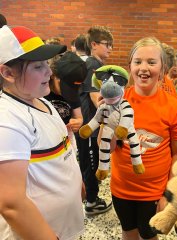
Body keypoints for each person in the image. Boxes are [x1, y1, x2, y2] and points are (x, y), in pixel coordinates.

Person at [0, 25, 84, 239]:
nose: (49, 71)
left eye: (47, 63)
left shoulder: (40, 101)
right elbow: (12, 204)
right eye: (38, 67)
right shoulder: (8, 121)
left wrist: (77, 181)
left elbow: (60, 150)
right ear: (8, 73)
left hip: (64, 227)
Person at [108, 37, 177, 240]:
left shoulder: (174, 106)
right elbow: (107, 148)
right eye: (138, 62)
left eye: (151, 62)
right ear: (130, 67)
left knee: (148, 235)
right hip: (121, 188)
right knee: (128, 232)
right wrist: (107, 116)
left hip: (154, 192)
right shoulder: (118, 101)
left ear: (162, 68)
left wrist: (169, 194)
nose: (144, 68)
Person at [76, 25, 113, 216]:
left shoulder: (97, 65)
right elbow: (95, 97)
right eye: (107, 44)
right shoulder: (92, 65)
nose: (110, 48)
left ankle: (90, 195)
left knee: (92, 160)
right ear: (94, 44)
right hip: (89, 125)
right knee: (90, 161)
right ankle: (91, 201)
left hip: (92, 124)